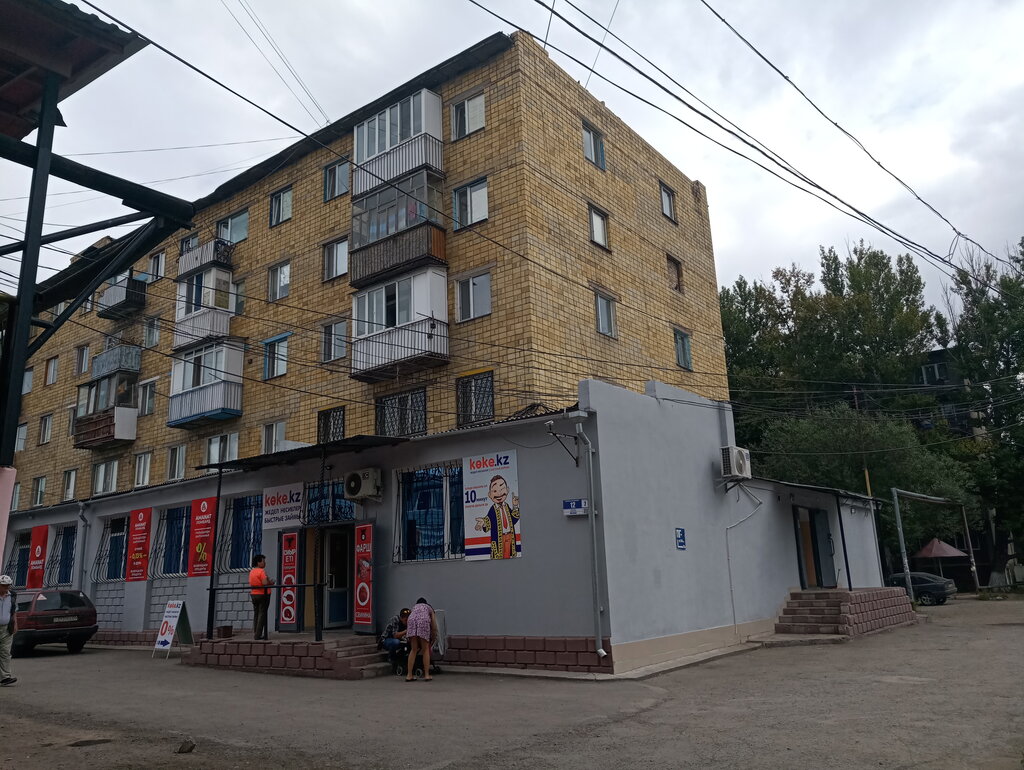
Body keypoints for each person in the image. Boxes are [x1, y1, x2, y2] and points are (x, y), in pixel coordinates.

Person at [474, 474, 521, 559]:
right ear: (490, 495)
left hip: (510, 537)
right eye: (495, 491)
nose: (499, 493)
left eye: (502, 489)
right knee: (500, 558)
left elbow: (513, 520)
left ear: (507, 490)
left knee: (510, 557)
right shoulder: (493, 509)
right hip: (499, 540)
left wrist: (515, 506)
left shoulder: (507, 506)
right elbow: (488, 520)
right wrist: (483, 523)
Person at [404, 597, 438, 682]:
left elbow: (410, 619)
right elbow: (434, 624)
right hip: (423, 621)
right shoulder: (429, 607)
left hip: (411, 621)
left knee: (413, 649)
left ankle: (409, 675)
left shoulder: (414, 608)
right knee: (425, 649)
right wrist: (434, 635)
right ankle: (426, 675)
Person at [248, 554, 274, 641]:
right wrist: (270, 582)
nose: (265, 563)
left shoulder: (252, 571)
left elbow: (251, 582)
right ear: (258, 562)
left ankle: (256, 632)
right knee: (262, 614)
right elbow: (264, 583)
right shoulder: (261, 571)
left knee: (256, 614)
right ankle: (258, 635)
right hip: (263, 594)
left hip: (254, 594)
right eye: (263, 561)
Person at [0, 575, 17, 686]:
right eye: (4, 585)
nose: (7, 588)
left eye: (8, 585)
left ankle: (5, 677)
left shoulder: (12, 596)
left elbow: (14, 611)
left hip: (6, 628)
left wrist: (15, 624)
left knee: (5, 652)